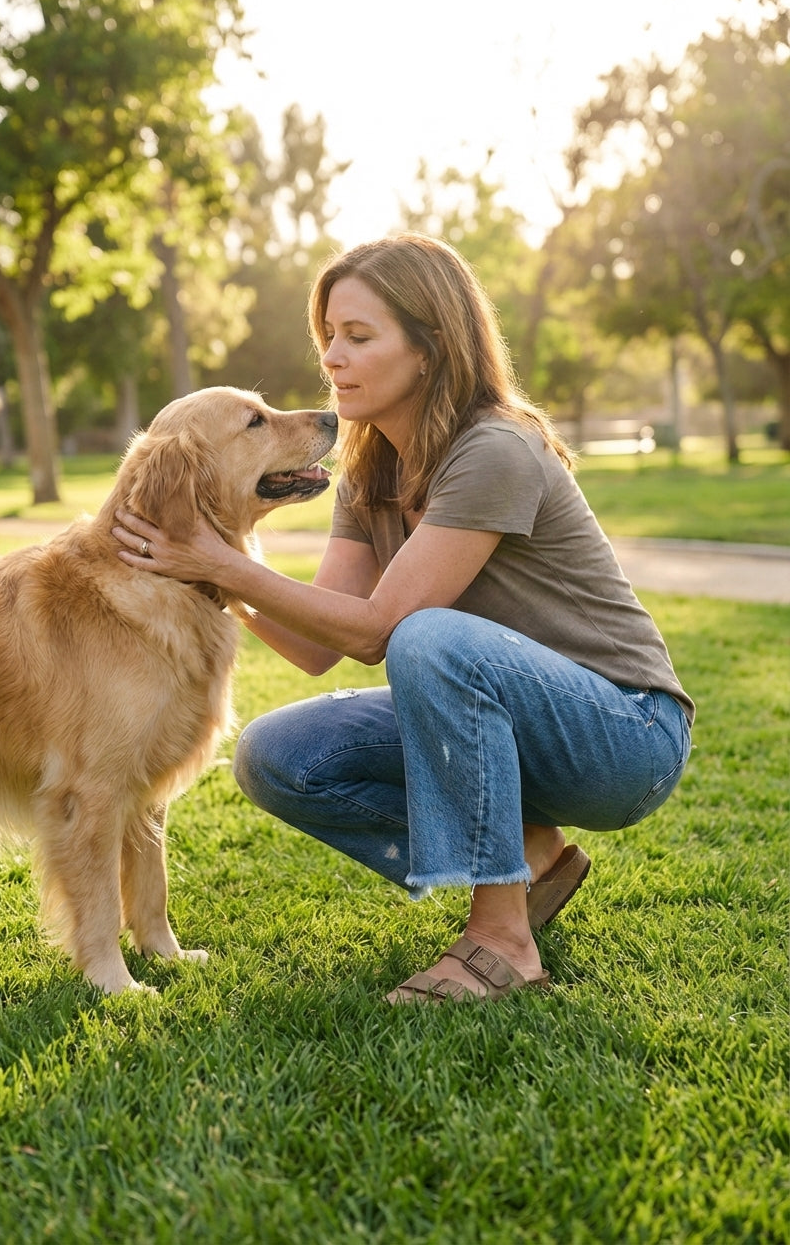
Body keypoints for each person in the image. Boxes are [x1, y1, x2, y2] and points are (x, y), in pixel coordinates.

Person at [113, 233, 694, 1005]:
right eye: (328, 337)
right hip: (514, 724)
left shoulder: (494, 449)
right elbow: (318, 647)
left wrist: (224, 564)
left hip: (623, 736)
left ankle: (503, 943)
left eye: (359, 336)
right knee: (277, 756)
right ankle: (529, 855)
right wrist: (210, 579)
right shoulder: (369, 469)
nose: (332, 359)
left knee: (424, 638)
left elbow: (378, 630)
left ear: (429, 348)